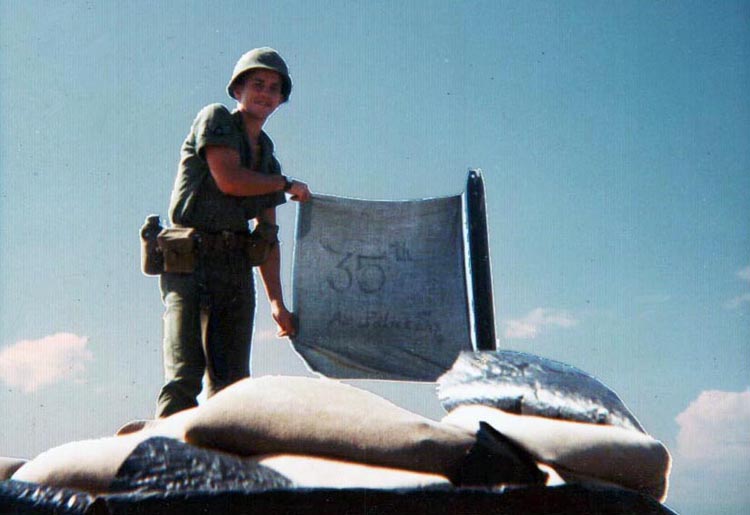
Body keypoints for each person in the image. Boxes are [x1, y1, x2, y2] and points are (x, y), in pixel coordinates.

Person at [156, 47, 310, 417]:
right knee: (184, 375)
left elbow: (267, 235)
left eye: (274, 88)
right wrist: (285, 183)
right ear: (238, 89)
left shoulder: (267, 158)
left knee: (234, 385)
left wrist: (277, 303)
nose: (265, 93)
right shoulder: (216, 120)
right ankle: (166, 457)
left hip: (234, 268)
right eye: (257, 84)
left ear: (281, 100)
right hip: (190, 259)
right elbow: (229, 179)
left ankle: (224, 463)